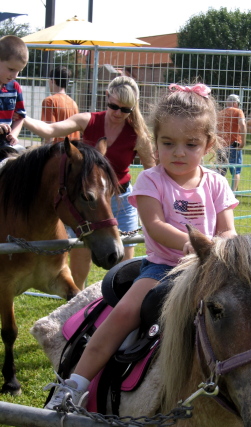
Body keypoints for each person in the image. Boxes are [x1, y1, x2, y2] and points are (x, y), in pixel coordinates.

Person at [43, 82, 239, 410]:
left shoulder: (216, 183)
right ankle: (74, 384)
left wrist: (225, 249)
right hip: (161, 269)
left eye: (190, 144)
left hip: (209, 270)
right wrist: (198, 245)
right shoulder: (151, 180)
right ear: (155, 141)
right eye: (168, 142)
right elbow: (156, 226)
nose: (178, 152)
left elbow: (228, 229)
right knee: (123, 315)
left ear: (207, 144)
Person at [22, 76, 155, 289]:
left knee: (125, 264)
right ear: (107, 97)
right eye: (114, 106)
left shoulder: (138, 134)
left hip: (120, 200)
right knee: (81, 258)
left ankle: (119, 308)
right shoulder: (88, 120)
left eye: (125, 109)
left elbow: (152, 171)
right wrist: (20, 116)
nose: (118, 113)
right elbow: (50, 130)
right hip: (88, 201)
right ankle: (78, 308)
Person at [0, 35, 28, 147]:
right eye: (11, 69)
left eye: (18, 71)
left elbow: (20, 117)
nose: (14, 75)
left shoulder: (15, 87)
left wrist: (14, 134)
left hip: (4, 143)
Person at [41, 66, 80, 144]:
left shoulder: (49, 101)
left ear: (52, 81)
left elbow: (49, 133)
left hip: (57, 151)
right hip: (73, 150)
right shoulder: (73, 103)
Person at [217, 94, 246, 191]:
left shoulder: (220, 113)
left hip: (221, 146)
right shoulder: (238, 111)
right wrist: (243, 141)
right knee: (236, 170)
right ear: (235, 103)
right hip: (234, 145)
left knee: (221, 171)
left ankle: (221, 192)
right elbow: (242, 124)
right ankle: (233, 193)